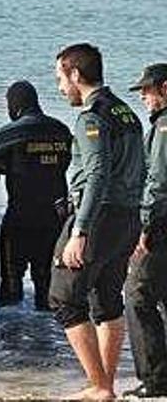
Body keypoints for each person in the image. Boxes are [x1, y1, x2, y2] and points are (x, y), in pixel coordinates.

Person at [50, 42, 144, 400]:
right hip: (127, 218)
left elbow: (98, 173)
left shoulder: (92, 116)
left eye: (60, 78)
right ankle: (105, 385)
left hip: (99, 217)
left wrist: (80, 230)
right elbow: (143, 169)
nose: (60, 87)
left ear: (76, 74)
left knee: (63, 299)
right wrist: (141, 222)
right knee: (106, 300)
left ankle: (100, 386)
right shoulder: (126, 113)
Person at [0, 80, 72, 310]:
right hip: (54, 218)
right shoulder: (61, 130)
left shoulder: (12, 131)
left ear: (14, 105)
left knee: (11, 282)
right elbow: (65, 163)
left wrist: (5, 164)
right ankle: (48, 340)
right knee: (46, 283)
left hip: (20, 216)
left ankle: (10, 338)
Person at [124, 63, 167, 398]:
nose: (143, 97)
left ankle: (155, 381)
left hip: (161, 226)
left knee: (137, 295)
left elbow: (159, 182)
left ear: (164, 88)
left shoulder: (164, 126)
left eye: (147, 91)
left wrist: (145, 227)